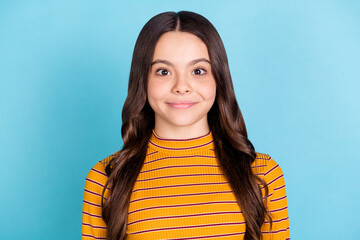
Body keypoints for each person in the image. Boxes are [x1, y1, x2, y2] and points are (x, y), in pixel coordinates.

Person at [82, 11, 290, 240]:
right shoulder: (105, 179)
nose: (182, 86)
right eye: (163, 71)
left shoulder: (262, 174)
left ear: (218, 79)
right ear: (143, 80)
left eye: (198, 71)